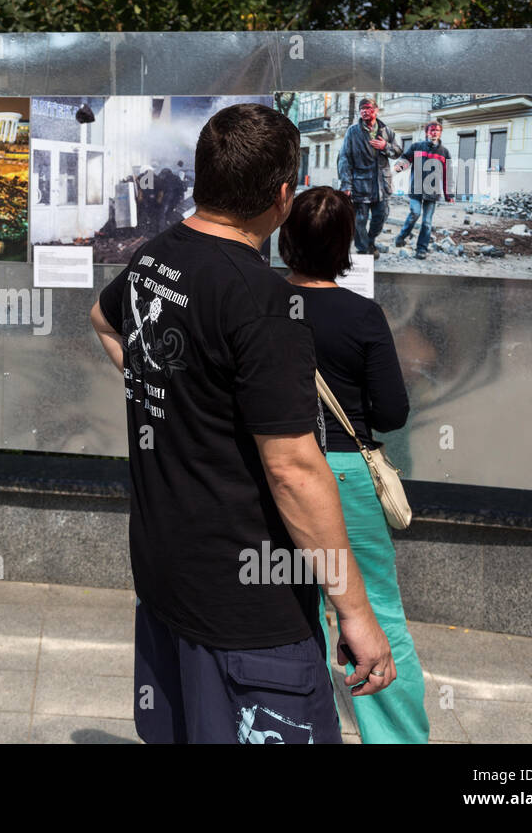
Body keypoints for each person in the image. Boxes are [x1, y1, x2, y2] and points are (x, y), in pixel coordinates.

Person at [89, 103, 394, 744]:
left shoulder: (157, 257)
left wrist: (167, 391)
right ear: (282, 197)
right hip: (248, 608)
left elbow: (102, 318)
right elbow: (292, 469)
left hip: (167, 576)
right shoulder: (265, 300)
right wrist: (357, 615)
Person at [279, 185, 428, 744]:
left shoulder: (262, 303)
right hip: (345, 475)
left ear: (285, 236)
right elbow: (390, 413)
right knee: (375, 612)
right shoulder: (363, 316)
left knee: (295, 610)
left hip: (276, 473)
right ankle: (395, 738)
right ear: (346, 244)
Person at [337, 98, 399, 256]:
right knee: (360, 221)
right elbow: (344, 158)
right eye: (361, 109)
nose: (364, 111)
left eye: (368, 108)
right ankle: (364, 249)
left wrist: (386, 146)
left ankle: (370, 241)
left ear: (376, 110)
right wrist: (346, 185)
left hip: (381, 185)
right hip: (360, 185)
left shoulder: (386, 130)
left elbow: (398, 151)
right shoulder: (353, 131)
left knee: (381, 216)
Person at [393, 121, 453, 260]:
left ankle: (421, 249)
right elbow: (405, 160)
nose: (434, 132)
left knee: (427, 222)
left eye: (437, 130)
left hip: (432, 192)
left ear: (440, 133)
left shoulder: (444, 152)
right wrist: (398, 168)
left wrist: (448, 194)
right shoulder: (416, 147)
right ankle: (402, 236)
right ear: (427, 132)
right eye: (432, 130)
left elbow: (447, 175)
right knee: (415, 213)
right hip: (416, 189)